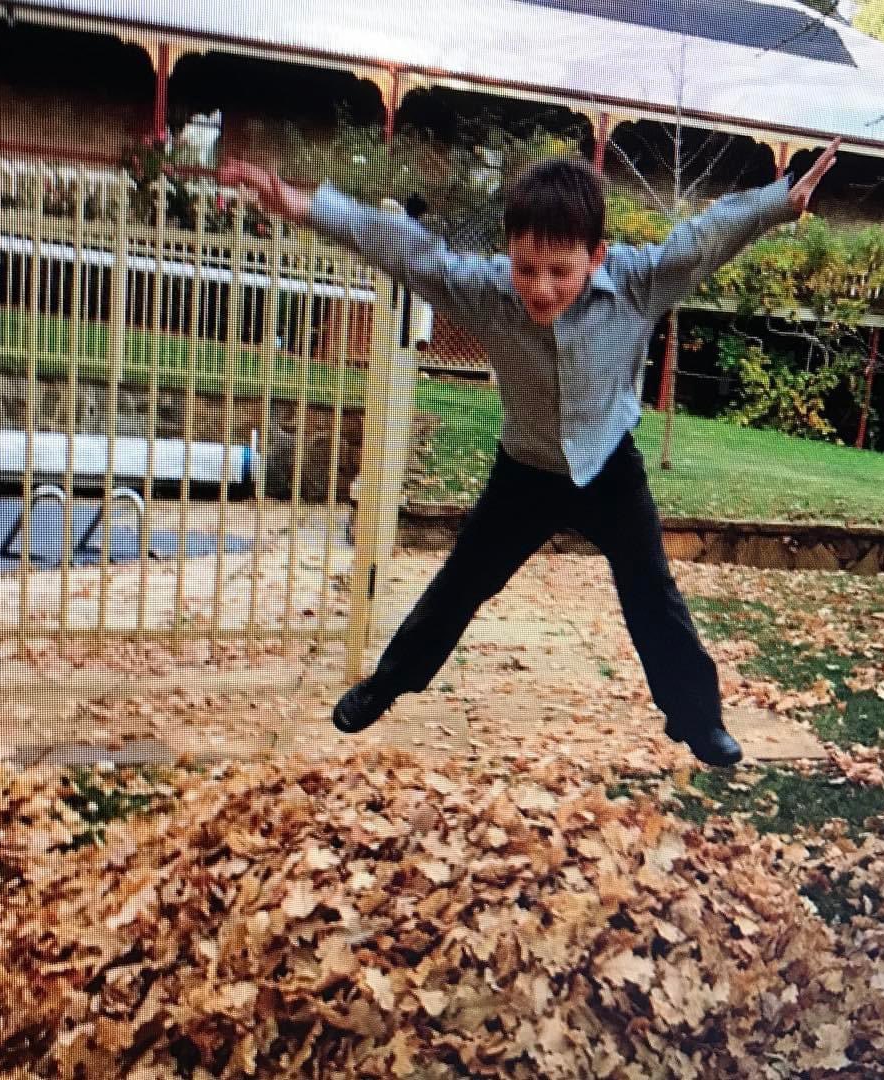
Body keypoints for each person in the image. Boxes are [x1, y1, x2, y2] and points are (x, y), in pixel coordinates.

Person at [219, 137, 840, 767]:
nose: (540, 288)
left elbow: (704, 236)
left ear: (596, 257)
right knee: (460, 584)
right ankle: (389, 683)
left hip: (607, 467)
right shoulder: (488, 294)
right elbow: (406, 249)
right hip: (524, 472)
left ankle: (697, 718)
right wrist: (299, 203)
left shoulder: (637, 283)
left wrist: (779, 202)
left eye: (561, 269)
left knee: (650, 590)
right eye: (525, 267)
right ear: (508, 257)